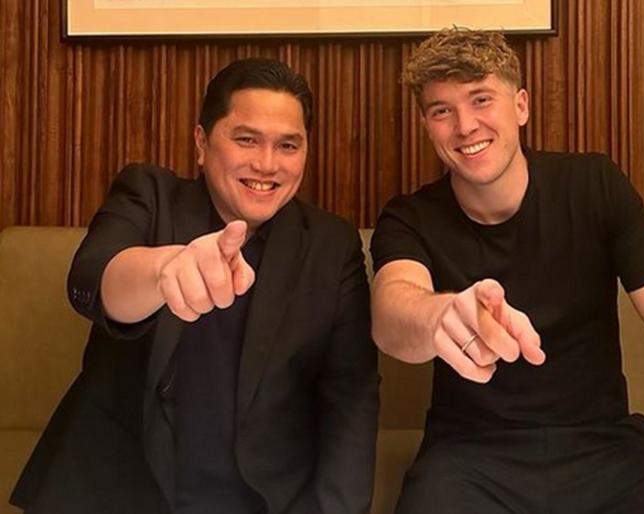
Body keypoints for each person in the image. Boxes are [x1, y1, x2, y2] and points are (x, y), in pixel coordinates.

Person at [370, 27, 644, 514]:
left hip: (604, 452)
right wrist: (443, 314)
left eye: (481, 99)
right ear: (427, 126)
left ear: (521, 106)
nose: (465, 125)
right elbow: (392, 312)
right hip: (469, 462)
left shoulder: (593, 184)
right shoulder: (410, 217)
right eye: (442, 111)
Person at [11, 58, 379, 514]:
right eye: (246, 139)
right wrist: (164, 269)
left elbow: (351, 396)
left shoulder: (330, 245)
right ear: (202, 143)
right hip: (116, 488)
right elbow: (93, 277)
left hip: (259, 500)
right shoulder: (150, 195)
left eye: (288, 145)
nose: (267, 164)